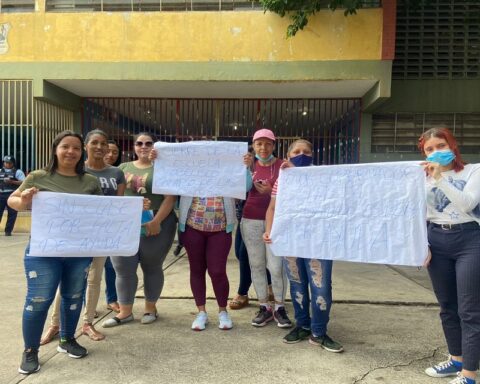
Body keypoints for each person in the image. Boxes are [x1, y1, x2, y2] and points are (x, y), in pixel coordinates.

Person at [8, 131, 103, 375]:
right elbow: (13, 201)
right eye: (65, 147)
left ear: (82, 153)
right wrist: (25, 199)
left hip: (79, 251)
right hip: (43, 251)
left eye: (76, 148)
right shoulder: (38, 176)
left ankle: (67, 339)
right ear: (55, 149)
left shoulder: (90, 181)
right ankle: (30, 351)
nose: (71, 152)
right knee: (38, 301)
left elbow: (104, 212)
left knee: (73, 298)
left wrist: (138, 208)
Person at [40, 130, 126, 344]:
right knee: (67, 281)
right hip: (72, 235)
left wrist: (134, 208)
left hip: (101, 234)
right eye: (94, 142)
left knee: (94, 279)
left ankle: (87, 322)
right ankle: (55, 325)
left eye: (103, 143)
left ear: (108, 148)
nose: (99, 147)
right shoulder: (74, 170)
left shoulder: (116, 173)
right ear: (85, 146)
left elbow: (119, 204)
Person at [263, 139, 344, 353]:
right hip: (291, 240)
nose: (302, 155)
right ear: (289, 156)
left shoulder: (322, 176)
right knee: (298, 284)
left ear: (312, 155)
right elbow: (272, 208)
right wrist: (269, 230)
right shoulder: (283, 179)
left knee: (321, 286)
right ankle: (303, 325)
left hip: (319, 241)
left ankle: (319, 332)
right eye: (297, 151)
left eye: (306, 151)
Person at [419, 127, 480, 384]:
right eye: (430, 149)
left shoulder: (473, 171)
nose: (436, 152)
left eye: (441, 146)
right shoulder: (421, 178)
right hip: (437, 240)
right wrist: (421, 244)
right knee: (447, 306)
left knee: (469, 310)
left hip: (469, 240)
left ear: (452, 146)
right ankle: (457, 359)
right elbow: (415, 213)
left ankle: (470, 374)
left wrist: (440, 178)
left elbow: (468, 204)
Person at [103, 132, 177, 328]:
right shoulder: (121, 168)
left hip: (157, 223)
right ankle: (125, 312)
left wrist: (157, 221)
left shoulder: (164, 169)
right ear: (134, 147)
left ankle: (150, 308)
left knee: (152, 265)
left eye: (148, 143)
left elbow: (170, 198)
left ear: (155, 146)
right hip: (125, 224)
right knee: (123, 269)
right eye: (139, 143)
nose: (143, 146)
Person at [240, 128, 291, 328]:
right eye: (259, 143)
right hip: (250, 219)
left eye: (268, 143)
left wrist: (273, 191)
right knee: (257, 265)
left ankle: (280, 306)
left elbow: (296, 192)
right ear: (253, 145)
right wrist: (244, 169)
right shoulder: (248, 164)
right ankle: (264, 306)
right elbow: (241, 190)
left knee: (276, 266)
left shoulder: (283, 166)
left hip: (277, 222)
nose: (263, 147)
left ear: (274, 145)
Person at [0, 155, 26, 236]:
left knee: (12, 213)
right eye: (5, 162)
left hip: (12, 194)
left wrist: (12, 182)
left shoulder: (18, 172)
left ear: (12, 163)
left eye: (9, 163)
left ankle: (8, 231)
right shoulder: (0, 171)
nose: (7, 164)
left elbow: (23, 182)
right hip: (1, 194)